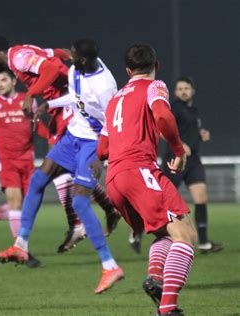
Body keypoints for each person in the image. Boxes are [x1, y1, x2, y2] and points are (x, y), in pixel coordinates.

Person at [0, 38, 124, 294]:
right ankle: (21, 245)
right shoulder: (76, 70)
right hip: (72, 136)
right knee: (38, 180)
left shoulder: (105, 85)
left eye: (72, 55)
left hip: (93, 143)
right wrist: (47, 104)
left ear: (83, 59)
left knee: (80, 202)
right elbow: (74, 99)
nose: (66, 58)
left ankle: (110, 266)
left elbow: (112, 121)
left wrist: (101, 156)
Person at [97, 44, 198, 315]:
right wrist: (178, 150)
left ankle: (155, 278)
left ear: (127, 70)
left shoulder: (115, 99)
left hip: (114, 179)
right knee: (186, 236)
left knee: (164, 232)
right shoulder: (155, 86)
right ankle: (167, 309)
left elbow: (102, 150)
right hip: (139, 171)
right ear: (157, 65)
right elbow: (163, 115)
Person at [0, 67, 49, 267]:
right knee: (15, 203)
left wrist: (52, 138)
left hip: (27, 159)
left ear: (13, 81)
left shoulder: (27, 100)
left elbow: (37, 125)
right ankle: (22, 251)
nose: (0, 84)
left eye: (4, 80)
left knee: (23, 206)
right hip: (6, 160)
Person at [161, 77, 223, 254]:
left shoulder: (193, 110)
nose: (183, 91)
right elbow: (161, 130)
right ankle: (145, 233)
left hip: (194, 160)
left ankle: (203, 242)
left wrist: (201, 133)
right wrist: (179, 145)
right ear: (175, 92)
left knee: (201, 198)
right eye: (179, 88)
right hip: (175, 159)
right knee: (165, 201)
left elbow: (190, 130)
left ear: (192, 90)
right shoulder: (173, 108)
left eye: (186, 88)